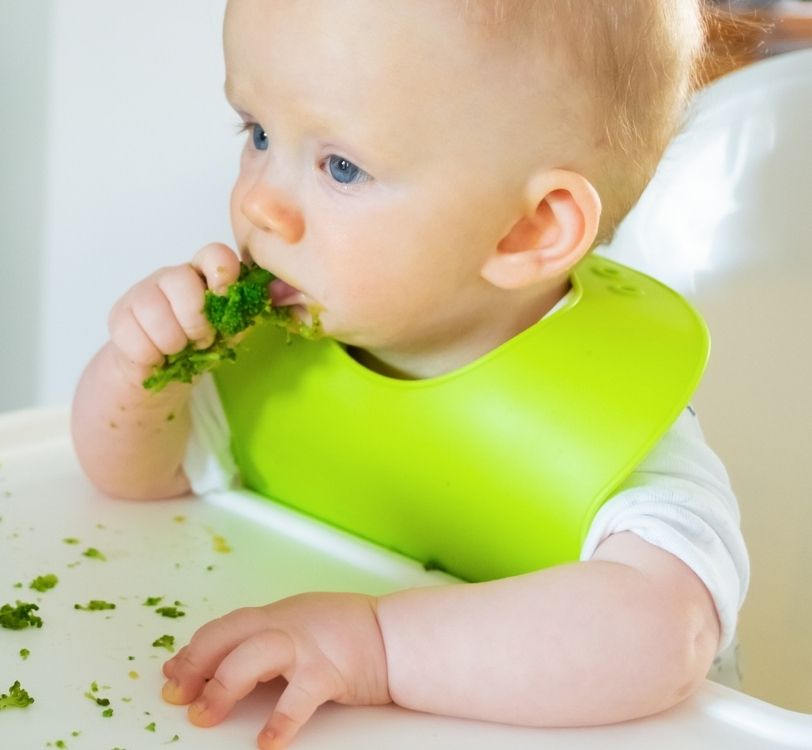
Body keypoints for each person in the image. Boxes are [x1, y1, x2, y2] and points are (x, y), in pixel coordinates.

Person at [69, 1, 751, 747]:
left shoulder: (608, 422)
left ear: (529, 229)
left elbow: (662, 634)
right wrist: (143, 370)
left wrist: (377, 649)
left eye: (341, 166)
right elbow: (144, 475)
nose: (258, 202)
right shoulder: (285, 352)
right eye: (258, 134)